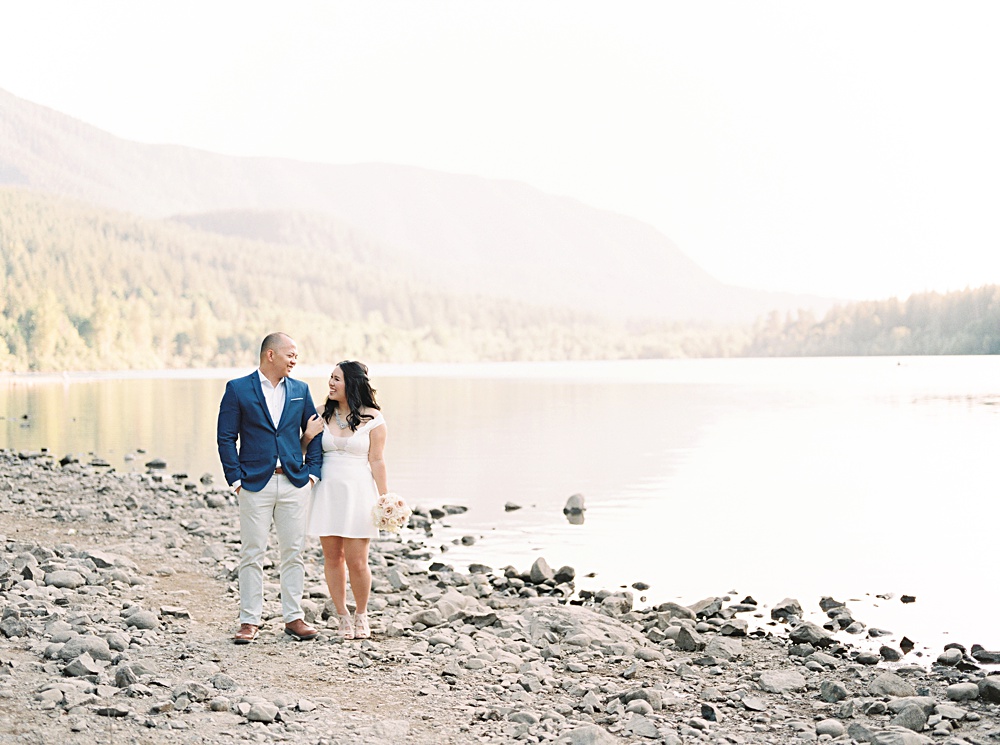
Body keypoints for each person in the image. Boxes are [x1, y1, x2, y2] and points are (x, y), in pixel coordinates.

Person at [217, 332, 323, 644]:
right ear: (271, 354)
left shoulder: (301, 390)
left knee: (293, 552)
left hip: (293, 482)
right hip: (254, 484)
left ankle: (293, 618)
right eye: (291, 354)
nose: (295, 360)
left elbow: (313, 432)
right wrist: (236, 480)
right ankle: (249, 621)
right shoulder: (237, 389)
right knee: (252, 552)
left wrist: (312, 474)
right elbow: (226, 437)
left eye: (297, 356)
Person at [302, 360, 387, 640]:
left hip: (358, 494)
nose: (331, 383)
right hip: (327, 492)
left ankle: (362, 614)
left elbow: (377, 460)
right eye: (330, 377)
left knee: (358, 561)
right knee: (332, 558)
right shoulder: (318, 415)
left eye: (337, 379)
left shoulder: (374, 418)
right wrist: (308, 436)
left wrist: (385, 498)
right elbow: (301, 450)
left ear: (352, 383)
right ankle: (342, 616)